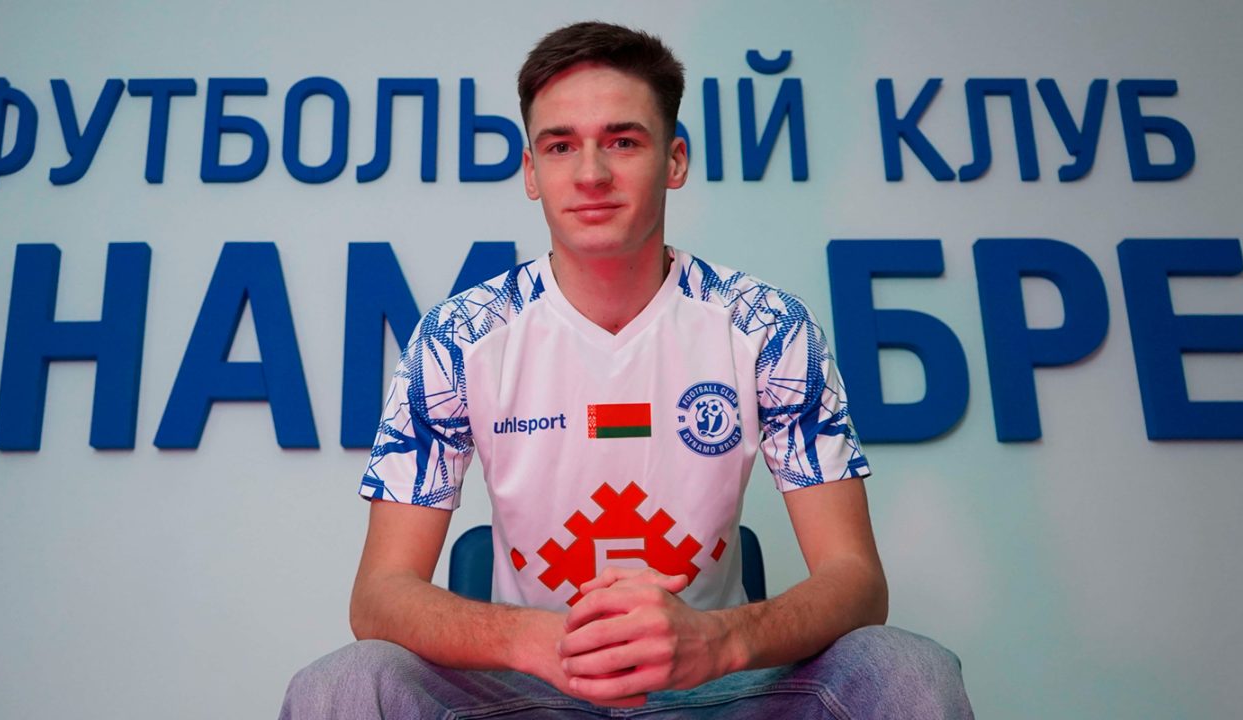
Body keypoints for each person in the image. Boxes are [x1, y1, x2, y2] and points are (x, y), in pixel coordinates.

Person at [281, 21, 973, 719]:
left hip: (717, 689)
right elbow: (380, 595)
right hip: (532, 691)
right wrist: (536, 641)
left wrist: (719, 640)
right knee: (344, 683)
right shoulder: (460, 337)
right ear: (530, 171)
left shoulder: (766, 325)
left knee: (906, 668)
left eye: (622, 141)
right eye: (560, 146)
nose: (591, 174)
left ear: (674, 160)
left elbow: (856, 580)